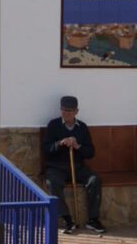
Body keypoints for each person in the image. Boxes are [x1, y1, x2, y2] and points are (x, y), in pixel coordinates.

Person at [43, 95, 105, 234]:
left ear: (76, 111)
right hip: (56, 167)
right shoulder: (53, 125)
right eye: (64, 110)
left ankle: (93, 219)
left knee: (94, 180)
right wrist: (60, 143)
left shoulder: (82, 127)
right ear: (60, 110)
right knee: (53, 182)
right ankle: (67, 219)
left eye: (70, 111)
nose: (66, 113)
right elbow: (46, 149)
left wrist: (78, 146)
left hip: (77, 167)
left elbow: (90, 152)